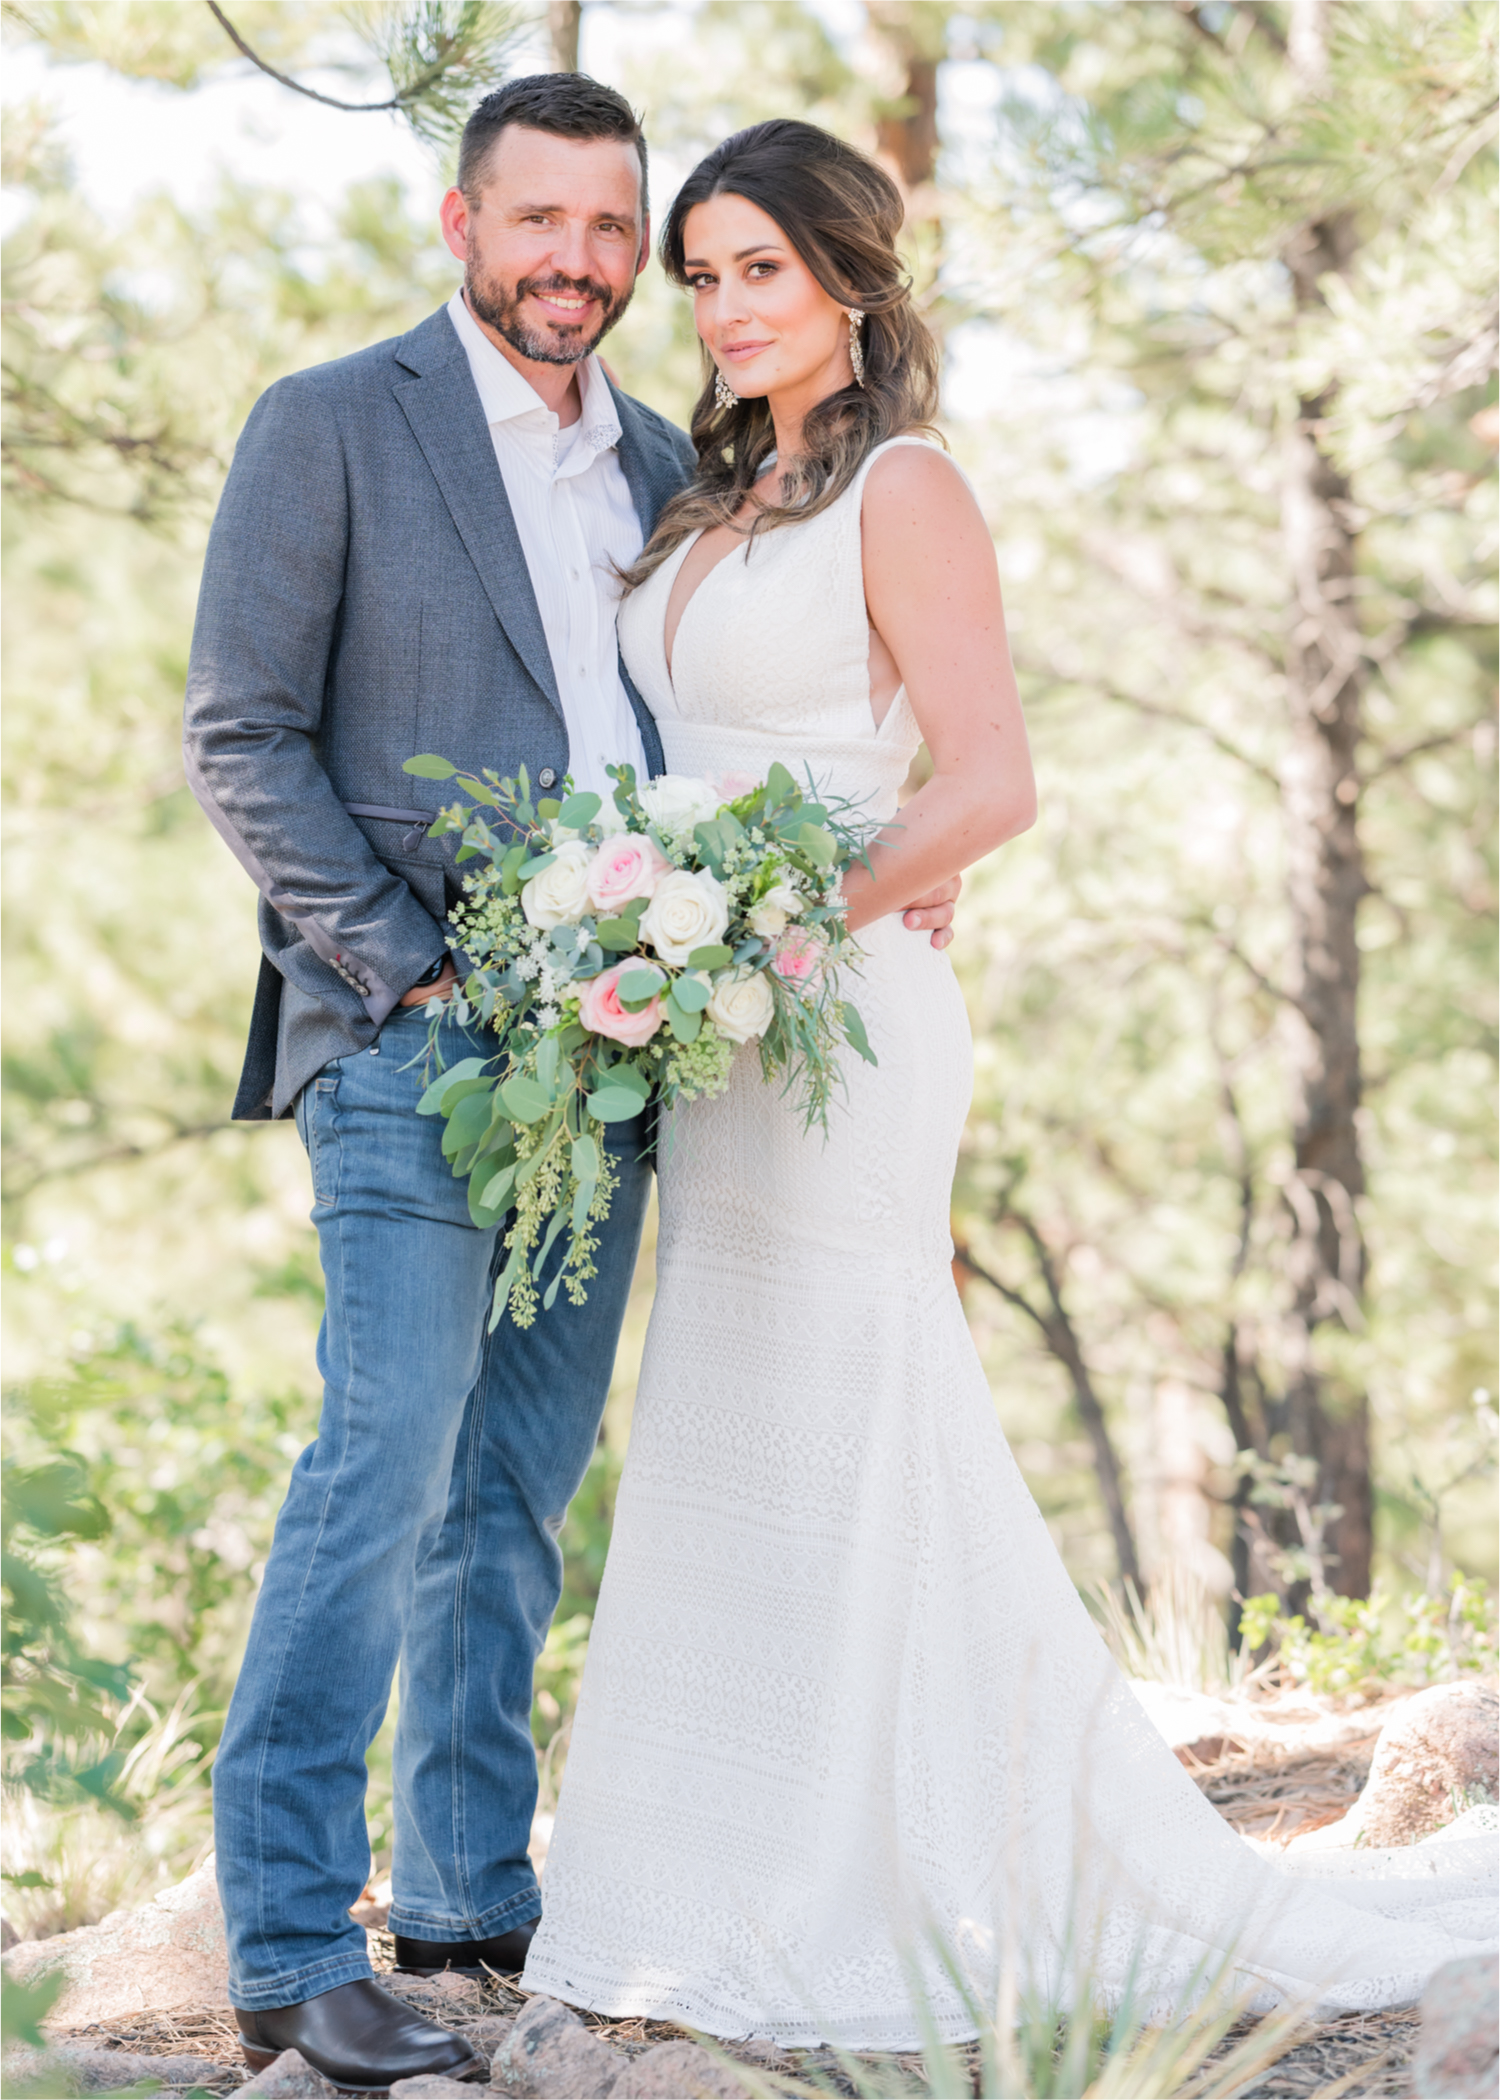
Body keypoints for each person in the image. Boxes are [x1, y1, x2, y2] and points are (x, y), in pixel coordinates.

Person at [520, 118, 1496, 2047]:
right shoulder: (703, 502)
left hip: (835, 1017)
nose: (718, 307)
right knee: (729, 1413)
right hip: (702, 1023)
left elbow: (988, 782)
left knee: (855, 1408)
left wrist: (775, 934)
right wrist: (664, 944)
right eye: (700, 272)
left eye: (759, 271)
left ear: (853, 283)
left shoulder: (906, 489)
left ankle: (899, 1872)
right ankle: (711, 1862)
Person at [184, 77, 959, 2091]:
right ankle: (285, 1938)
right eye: (544, 225)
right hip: (409, 1047)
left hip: (619, 1055)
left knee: (514, 1495)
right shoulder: (331, 424)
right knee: (385, 1464)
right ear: (462, 225)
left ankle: (460, 1895)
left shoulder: (655, 461)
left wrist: (835, 885)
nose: (583, 267)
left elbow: (723, 737)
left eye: (616, 234)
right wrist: (414, 967)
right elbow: (242, 734)